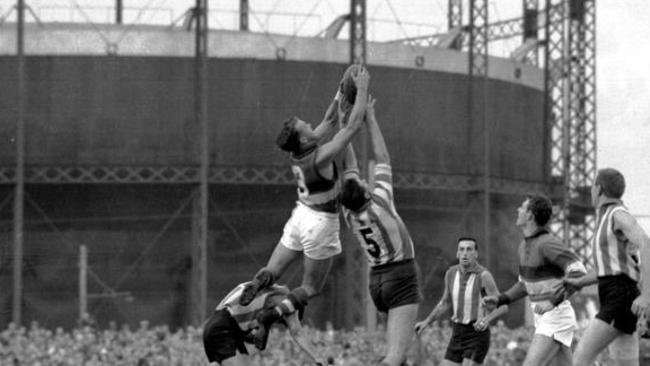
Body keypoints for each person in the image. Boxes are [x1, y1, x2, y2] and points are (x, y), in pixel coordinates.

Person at [238, 67, 370, 321]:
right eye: (304, 125)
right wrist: (362, 88)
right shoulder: (319, 158)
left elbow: (329, 120)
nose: (310, 124)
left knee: (272, 270)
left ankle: (257, 283)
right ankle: (274, 315)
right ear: (302, 138)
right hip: (320, 223)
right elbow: (351, 127)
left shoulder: (297, 153)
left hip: (300, 217)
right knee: (311, 287)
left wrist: (339, 91)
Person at [339, 96, 420, 366]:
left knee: (402, 353)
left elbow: (348, 168)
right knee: (395, 357)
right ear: (365, 191)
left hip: (376, 281)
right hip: (401, 275)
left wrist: (345, 130)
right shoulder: (381, 202)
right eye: (364, 182)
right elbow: (382, 157)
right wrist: (370, 118)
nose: (365, 179)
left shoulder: (349, 215)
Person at [483, 194, 587, 366]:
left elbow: (579, 272)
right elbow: (524, 285)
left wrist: (552, 302)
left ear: (530, 215)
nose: (518, 209)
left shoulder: (548, 244)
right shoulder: (523, 246)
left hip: (555, 317)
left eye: (522, 207)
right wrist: (501, 299)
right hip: (544, 317)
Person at [562, 168, 650, 366]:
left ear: (598, 189)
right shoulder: (605, 218)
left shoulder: (617, 214)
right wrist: (579, 282)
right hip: (618, 294)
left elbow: (646, 243)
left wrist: (646, 295)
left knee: (579, 360)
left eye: (593, 186)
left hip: (619, 298)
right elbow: (609, 269)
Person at [414, 237, 507, 366]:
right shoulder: (450, 273)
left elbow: (503, 306)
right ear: (457, 253)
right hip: (457, 333)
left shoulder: (484, 275)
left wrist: (486, 320)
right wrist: (426, 321)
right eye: (461, 249)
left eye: (469, 249)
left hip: (477, 334)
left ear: (476, 254)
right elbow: (445, 303)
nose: (465, 253)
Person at [202, 281, 327, 366]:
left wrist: (249, 336)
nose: (278, 322)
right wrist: (318, 358)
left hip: (221, 326)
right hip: (223, 330)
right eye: (283, 321)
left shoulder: (271, 288)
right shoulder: (287, 303)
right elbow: (296, 331)